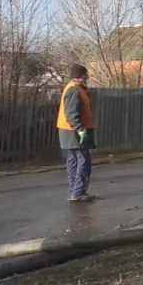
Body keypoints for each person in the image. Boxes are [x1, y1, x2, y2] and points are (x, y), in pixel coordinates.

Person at [56, 64, 96, 202]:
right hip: (75, 131)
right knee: (83, 161)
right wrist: (80, 130)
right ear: (80, 76)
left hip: (69, 130)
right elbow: (71, 114)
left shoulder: (76, 88)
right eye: (85, 75)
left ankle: (75, 191)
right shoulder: (74, 90)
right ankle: (78, 192)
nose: (87, 77)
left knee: (73, 160)